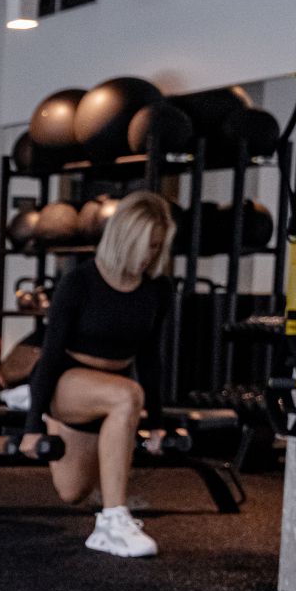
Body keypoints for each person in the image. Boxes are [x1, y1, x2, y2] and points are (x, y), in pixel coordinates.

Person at [18, 190, 173, 559]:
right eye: (144, 246)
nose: (149, 256)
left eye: (156, 247)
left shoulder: (158, 288)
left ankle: (108, 508)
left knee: (72, 492)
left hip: (110, 388)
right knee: (127, 395)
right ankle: (113, 522)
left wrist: (158, 422)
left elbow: (150, 356)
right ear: (123, 238)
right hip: (68, 379)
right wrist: (31, 425)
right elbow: (51, 352)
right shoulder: (79, 282)